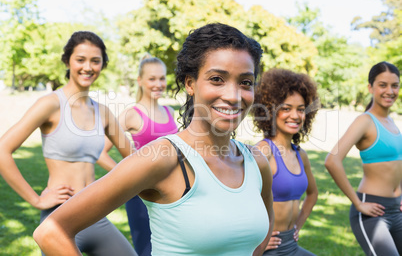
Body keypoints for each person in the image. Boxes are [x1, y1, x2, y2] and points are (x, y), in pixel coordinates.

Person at [33, 22, 274, 256]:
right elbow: (51, 231)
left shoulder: (257, 163)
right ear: (190, 83)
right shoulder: (163, 158)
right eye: (217, 79)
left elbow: (259, 237)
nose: (233, 96)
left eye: (245, 82)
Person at [0, 31, 137, 256]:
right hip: (61, 218)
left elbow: (134, 160)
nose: (88, 67)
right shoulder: (51, 104)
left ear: (102, 64)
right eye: (80, 59)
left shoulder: (102, 112)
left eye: (95, 60)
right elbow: (3, 150)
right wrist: (36, 199)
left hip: (96, 215)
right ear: (67, 61)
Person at [102, 54, 178, 256]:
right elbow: (100, 152)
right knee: (146, 251)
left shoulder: (170, 111)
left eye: (162, 78)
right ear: (140, 81)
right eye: (152, 79)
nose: (158, 84)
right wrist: (130, 178)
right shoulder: (132, 114)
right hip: (142, 197)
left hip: (174, 194)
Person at [325, 61, 402, 256]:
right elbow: (332, 160)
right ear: (371, 87)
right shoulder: (365, 121)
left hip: (397, 209)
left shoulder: (392, 122)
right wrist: (358, 203)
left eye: (395, 85)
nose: (390, 91)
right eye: (382, 85)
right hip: (372, 211)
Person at [251, 68, 319, 256]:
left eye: (301, 109)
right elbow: (237, 202)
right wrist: (258, 239)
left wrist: (298, 226)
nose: (295, 116)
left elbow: (312, 195)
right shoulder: (263, 151)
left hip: (291, 244)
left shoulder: (300, 154)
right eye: (286, 108)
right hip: (267, 248)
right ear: (271, 111)